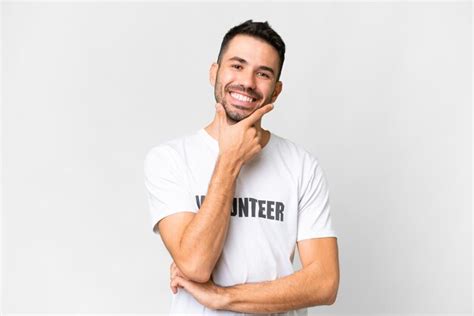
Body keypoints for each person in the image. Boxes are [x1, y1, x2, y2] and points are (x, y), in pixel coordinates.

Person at [144, 19, 340, 315]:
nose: (247, 82)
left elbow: (325, 283)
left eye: (263, 74)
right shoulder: (169, 159)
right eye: (237, 66)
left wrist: (223, 297)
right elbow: (196, 264)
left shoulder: (301, 166)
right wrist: (229, 160)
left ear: (276, 91)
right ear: (214, 73)